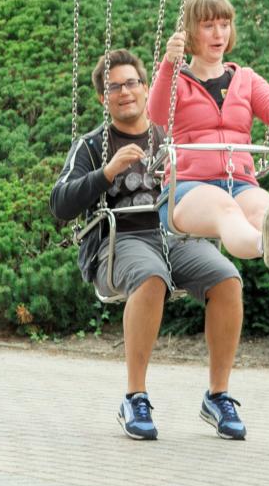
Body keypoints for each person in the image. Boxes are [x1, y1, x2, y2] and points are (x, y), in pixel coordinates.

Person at [50, 49, 247, 442]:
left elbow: (205, 180)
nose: (125, 92)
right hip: (120, 240)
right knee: (151, 277)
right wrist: (107, 172)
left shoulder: (169, 138)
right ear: (103, 98)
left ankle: (218, 396)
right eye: (114, 87)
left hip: (173, 236)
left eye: (132, 83)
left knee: (227, 278)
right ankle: (135, 397)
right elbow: (60, 203)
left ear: (145, 88)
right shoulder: (91, 146)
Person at [148, 0, 269, 272]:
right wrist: (168, 65)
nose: (219, 34)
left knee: (265, 207)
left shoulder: (245, 79)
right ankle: (266, 244)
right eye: (208, 26)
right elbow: (156, 114)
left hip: (239, 182)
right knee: (225, 208)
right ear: (190, 32)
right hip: (187, 188)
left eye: (225, 24)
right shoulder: (175, 79)